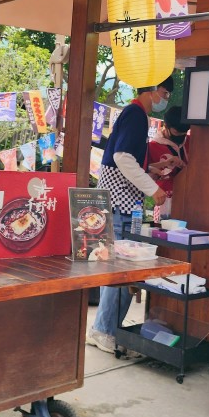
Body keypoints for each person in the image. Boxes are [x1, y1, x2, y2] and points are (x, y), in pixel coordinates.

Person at [86, 76, 171, 354]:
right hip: (120, 203)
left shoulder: (133, 113)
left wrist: (151, 170)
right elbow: (123, 157)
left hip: (117, 200)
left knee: (116, 269)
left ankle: (103, 327)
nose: (165, 100)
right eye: (165, 94)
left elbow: (124, 159)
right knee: (120, 271)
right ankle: (106, 331)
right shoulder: (136, 114)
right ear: (155, 91)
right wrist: (153, 187)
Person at [146, 106, 190, 217]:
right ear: (166, 126)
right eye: (177, 132)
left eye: (184, 133)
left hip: (188, 200)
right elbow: (145, 169)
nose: (181, 136)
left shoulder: (191, 142)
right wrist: (162, 166)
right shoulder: (152, 147)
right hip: (163, 201)